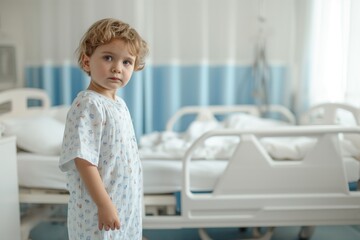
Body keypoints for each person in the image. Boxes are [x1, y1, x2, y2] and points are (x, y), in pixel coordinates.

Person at [59, 18, 149, 240]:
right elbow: (84, 160)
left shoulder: (118, 104)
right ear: (87, 62)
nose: (117, 68)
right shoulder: (88, 104)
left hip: (123, 204)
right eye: (108, 58)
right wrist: (104, 204)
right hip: (96, 209)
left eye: (127, 62)